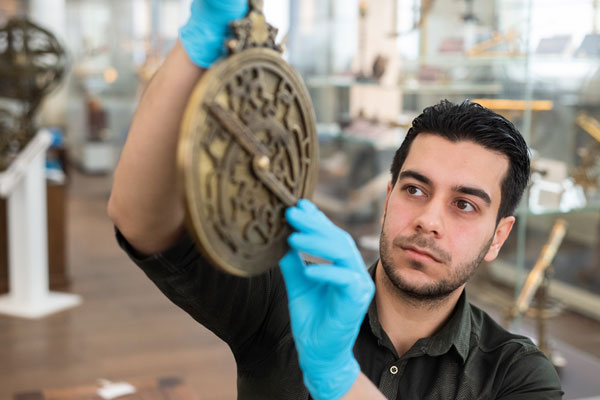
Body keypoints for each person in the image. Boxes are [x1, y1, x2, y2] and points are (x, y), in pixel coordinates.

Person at [108, 1, 563, 399]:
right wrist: (198, 42)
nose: (428, 220)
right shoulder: (286, 304)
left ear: (499, 235)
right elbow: (139, 221)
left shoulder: (518, 375)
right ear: (388, 198)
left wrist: (336, 376)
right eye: (414, 189)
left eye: (464, 204)